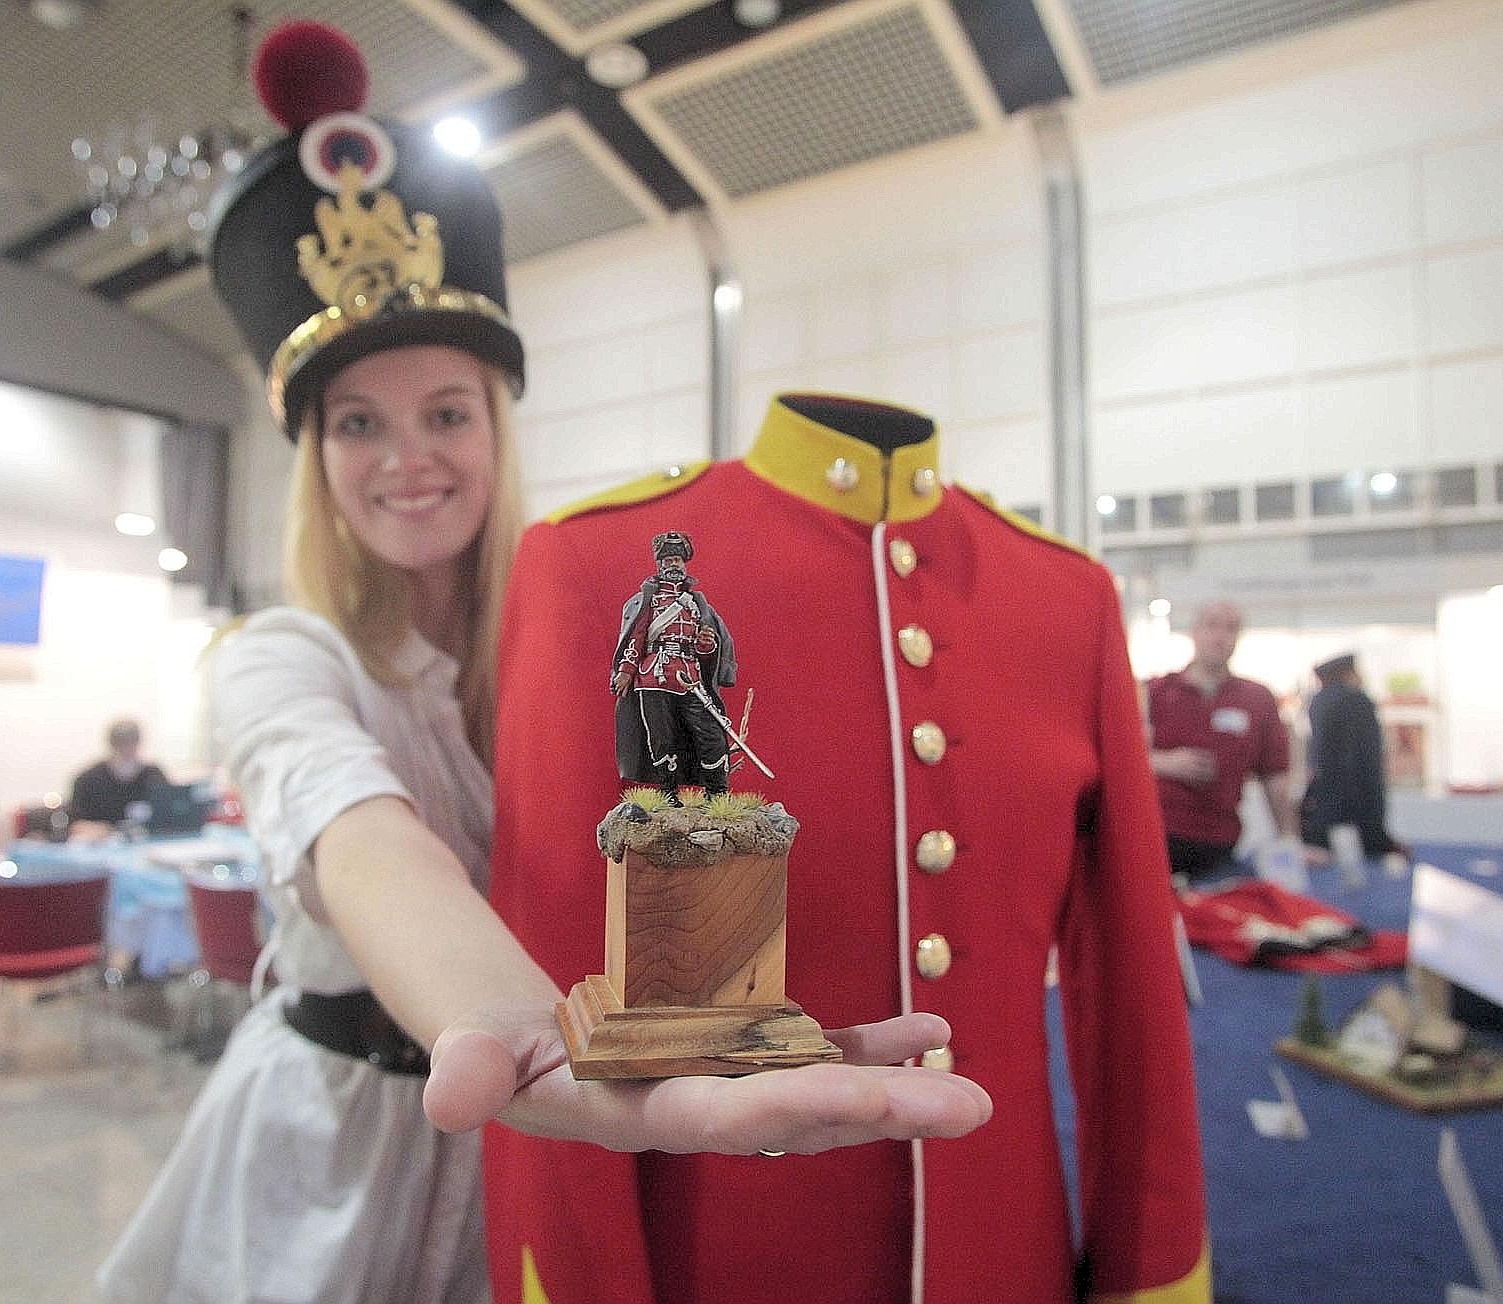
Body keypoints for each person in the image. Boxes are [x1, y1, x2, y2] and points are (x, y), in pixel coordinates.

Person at [98, 24, 989, 1304]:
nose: (408, 455)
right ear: (315, 456)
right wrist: (511, 1023)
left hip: (527, 1152)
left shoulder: (575, 636)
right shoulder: (278, 655)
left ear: (497, 428)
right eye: (359, 421)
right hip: (334, 1137)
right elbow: (361, 838)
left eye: (446, 412)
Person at [488, 393, 1210, 1303]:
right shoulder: (586, 562)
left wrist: (1151, 1270)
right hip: (727, 1259)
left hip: (1002, 1251)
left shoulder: (1067, 596)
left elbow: (1132, 987)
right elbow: (553, 972)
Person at [1146, 600, 1296, 879]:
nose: (1220, 636)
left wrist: (1290, 841)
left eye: (1231, 628)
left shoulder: (1256, 699)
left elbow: (1274, 777)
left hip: (1218, 845)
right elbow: (1114, 758)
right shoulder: (1155, 692)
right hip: (1154, 839)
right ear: (1194, 631)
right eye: (1212, 625)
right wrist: (1164, 763)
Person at [612, 531, 733, 796]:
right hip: (653, 677)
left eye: (678, 559)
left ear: (684, 564)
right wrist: (625, 671)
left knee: (711, 733)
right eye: (668, 560)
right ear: (660, 565)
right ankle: (668, 795)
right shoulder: (649, 600)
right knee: (661, 739)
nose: (674, 564)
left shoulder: (697, 604)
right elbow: (637, 637)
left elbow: (707, 648)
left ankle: (717, 794)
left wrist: (705, 643)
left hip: (689, 677)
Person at [1300, 652, 1410, 861]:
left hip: (1326, 803)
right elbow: (1364, 760)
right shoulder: (1357, 701)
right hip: (1358, 804)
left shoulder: (1319, 702)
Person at [66, 718, 167, 826]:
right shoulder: (87, 781)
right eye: (122, 743)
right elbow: (76, 824)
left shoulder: (154, 776)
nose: (127, 749)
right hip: (102, 842)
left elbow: (169, 813)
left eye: (132, 742)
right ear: (112, 745)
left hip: (150, 842)